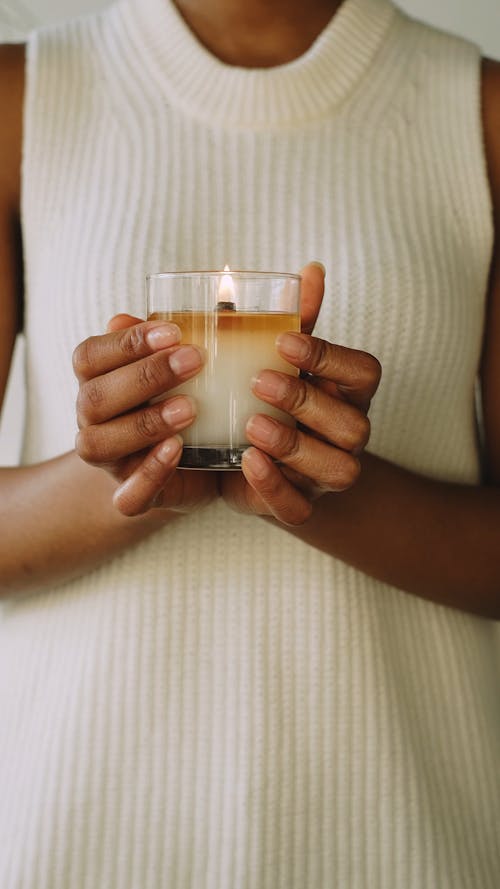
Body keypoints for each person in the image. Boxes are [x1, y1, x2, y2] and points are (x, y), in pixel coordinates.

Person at [0, 0, 499, 885]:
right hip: (81, 829)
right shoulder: (25, 100)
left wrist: (326, 489)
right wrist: (130, 470)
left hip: (401, 832)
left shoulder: (479, 114)